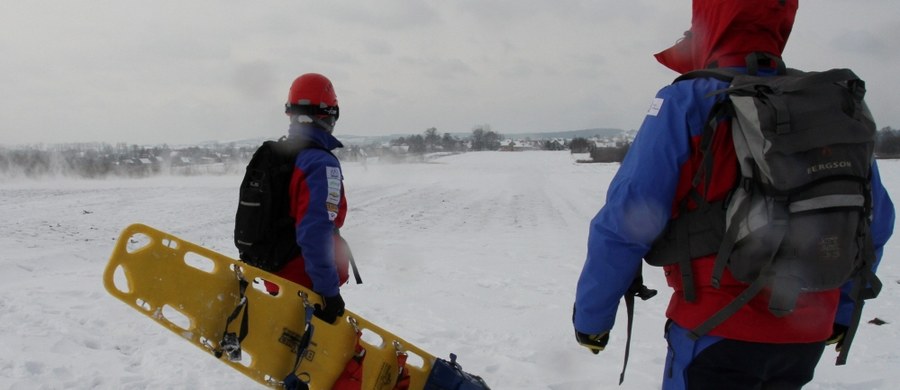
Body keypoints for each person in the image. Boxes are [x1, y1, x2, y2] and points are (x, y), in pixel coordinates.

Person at [572, 1, 895, 389]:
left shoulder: (690, 99)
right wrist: (842, 311)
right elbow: (872, 220)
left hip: (715, 331)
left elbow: (628, 217)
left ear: (708, 20)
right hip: (806, 335)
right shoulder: (827, 104)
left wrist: (592, 319)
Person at [266, 73, 351, 324]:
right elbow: (315, 233)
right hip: (306, 285)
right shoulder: (320, 164)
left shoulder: (277, 157)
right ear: (329, 114)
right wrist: (328, 292)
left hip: (275, 278)